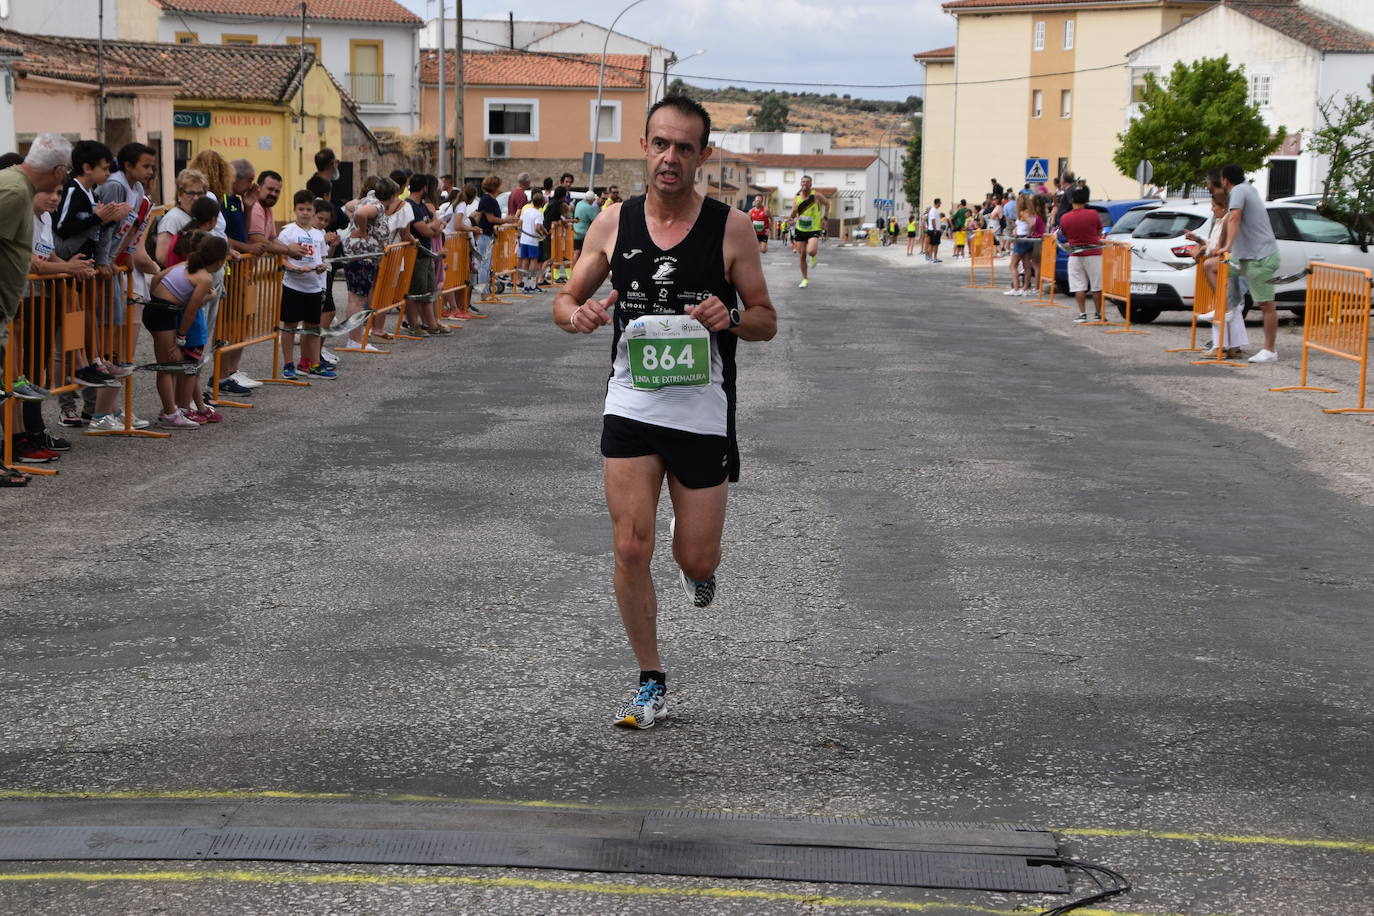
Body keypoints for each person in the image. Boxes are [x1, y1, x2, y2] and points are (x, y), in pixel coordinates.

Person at [553, 95, 778, 730]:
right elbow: (566, 299)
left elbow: (765, 319)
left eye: (684, 147)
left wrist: (730, 318)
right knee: (629, 546)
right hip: (631, 402)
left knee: (696, 559)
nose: (670, 157)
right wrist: (580, 316)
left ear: (703, 155)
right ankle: (650, 677)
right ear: (644, 146)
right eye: (660, 143)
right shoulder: (611, 223)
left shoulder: (730, 228)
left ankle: (699, 576)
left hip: (701, 410)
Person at [146, 234, 229, 428]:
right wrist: (181, 338)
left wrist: (156, 297)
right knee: (167, 366)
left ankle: (171, 410)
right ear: (218, 261)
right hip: (163, 313)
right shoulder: (205, 278)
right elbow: (191, 310)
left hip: (157, 308)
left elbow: (158, 276)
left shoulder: (187, 264)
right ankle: (169, 414)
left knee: (170, 364)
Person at [1218, 164, 1281, 363]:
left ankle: (1269, 350)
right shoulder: (1248, 189)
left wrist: (1227, 245)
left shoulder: (1238, 190)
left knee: (1266, 305)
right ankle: (1227, 307)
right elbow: (1230, 218)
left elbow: (1235, 217)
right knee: (1214, 267)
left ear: (1225, 180)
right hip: (1245, 256)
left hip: (1260, 257)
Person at [277, 190, 332, 379]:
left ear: (314, 211)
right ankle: (288, 364)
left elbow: (322, 259)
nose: (305, 213)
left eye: (309, 209)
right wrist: (294, 268)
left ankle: (313, 363)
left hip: (314, 287)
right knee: (290, 326)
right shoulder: (288, 232)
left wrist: (321, 267)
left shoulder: (319, 235)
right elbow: (281, 259)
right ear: (295, 210)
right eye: (301, 209)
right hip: (293, 286)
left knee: (313, 327)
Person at [1186, 196, 1248, 358]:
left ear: (1223, 207)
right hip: (1229, 267)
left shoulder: (1228, 221)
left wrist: (1203, 249)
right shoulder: (1221, 221)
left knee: (1222, 305)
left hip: (1231, 267)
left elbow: (1217, 247)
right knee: (1230, 307)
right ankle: (1233, 348)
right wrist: (1200, 242)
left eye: (1214, 206)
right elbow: (1214, 245)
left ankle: (1220, 346)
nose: (1212, 209)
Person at [342, 175, 399, 348]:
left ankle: (355, 339)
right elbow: (360, 213)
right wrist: (362, 230)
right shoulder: (377, 205)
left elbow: (352, 206)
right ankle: (355, 340)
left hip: (358, 255)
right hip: (362, 257)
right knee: (358, 301)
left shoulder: (369, 199)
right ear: (390, 195)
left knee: (355, 299)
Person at [1058, 187, 1103, 323]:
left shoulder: (1065, 217)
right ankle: (1097, 314)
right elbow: (1099, 230)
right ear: (1086, 200)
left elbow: (1064, 234)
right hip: (1094, 253)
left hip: (1075, 254)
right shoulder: (1093, 214)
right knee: (1097, 286)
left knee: (1079, 286)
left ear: (1072, 200)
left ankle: (1082, 314)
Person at [789, 175, 828, 288]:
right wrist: (794, 211)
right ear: (800, 184)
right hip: (800, 229)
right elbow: (792, 215)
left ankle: (813, 256)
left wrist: (825, 218)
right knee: (801, 256)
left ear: (811, 184)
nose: (805, 184)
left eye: (807, 182)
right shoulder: (796, 198)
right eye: (803, 182)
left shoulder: (816, 196)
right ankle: (805, 279)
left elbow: (827, 204)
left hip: (814, 228)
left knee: (811, 251)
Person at [518, 189, 546, 293]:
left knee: (525, 261)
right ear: (542, 202)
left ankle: (525, 284)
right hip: (532, 240)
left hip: (524, 239)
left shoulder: (526, 211)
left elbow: (519, 223)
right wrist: (543, 233)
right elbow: (537, 227)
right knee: (534, 261)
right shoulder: (538, 213)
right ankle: (532, 285)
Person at [573, 189, 600, 263]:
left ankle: (574, 268)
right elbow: (596, 220)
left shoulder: (579, 203)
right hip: (584, 233)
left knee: (576, 251)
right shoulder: (589, 208)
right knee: (582, 252)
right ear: (591, 199)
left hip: (575, 231)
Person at [924, 198, 944, 263]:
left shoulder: (936, 210)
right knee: (932, 244)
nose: (940, 204)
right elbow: (933, 220)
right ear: (937, 203)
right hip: (933, 230)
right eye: (940, 203)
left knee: (936, 244)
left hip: (937, 230)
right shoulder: (933, 210)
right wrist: (935, 230)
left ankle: (935, 257)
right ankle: (930, 258)